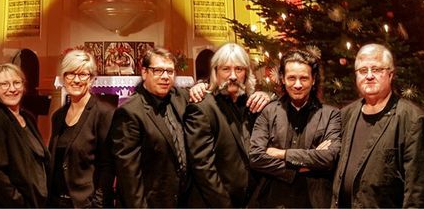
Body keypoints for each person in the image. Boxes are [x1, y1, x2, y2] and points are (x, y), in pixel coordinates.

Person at [332, 43, 424, 208]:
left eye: (376, 69)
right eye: (363, 70)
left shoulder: (411, 120)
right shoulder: (345, 115)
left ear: (390, 74)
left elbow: (417, 191)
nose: (369, 76)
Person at [248, 49, 341, 208]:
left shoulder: (331, 114)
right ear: (283, 79)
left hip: (315, 202)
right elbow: (256, 157)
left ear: (313, 80)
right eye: (291, 78)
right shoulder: (268, 111)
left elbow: (328, 158)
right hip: (273, 201)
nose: (297, 85)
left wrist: (282, 154)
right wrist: (300, 168)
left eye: (304, 78)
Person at [183, 42, 270, 207]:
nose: (233, 76)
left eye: (239, 69)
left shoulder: (253, 104)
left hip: (251, 201)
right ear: (215, 72)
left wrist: (267, 97)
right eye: (226, 69)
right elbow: (203, 168)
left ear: (246, 73)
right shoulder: (202, 108)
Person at [110, 47, 189, 208]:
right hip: (152, 202)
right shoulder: (130, 112)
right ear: (144, 72)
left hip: (182, 199)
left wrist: (200, 86)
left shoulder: (180, 97)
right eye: (158, 70)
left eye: (170, 71)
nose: (165, 77)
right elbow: (129, 175)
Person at [48, 49, 114, 208]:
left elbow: (108, 166)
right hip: (57, 202)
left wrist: (97, 204)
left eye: (83, 74)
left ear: (91, 79)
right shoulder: (58, 116)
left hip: (85, 204)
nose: (76, 80)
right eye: (71, 74)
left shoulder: (103, 113)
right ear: (63, 77)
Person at [0, 63, 51, 208]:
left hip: (36, 202)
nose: (12, 89)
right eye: (4, 84)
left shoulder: (27, 117)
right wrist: (20, 202)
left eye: (16, 83)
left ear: (23, 86)